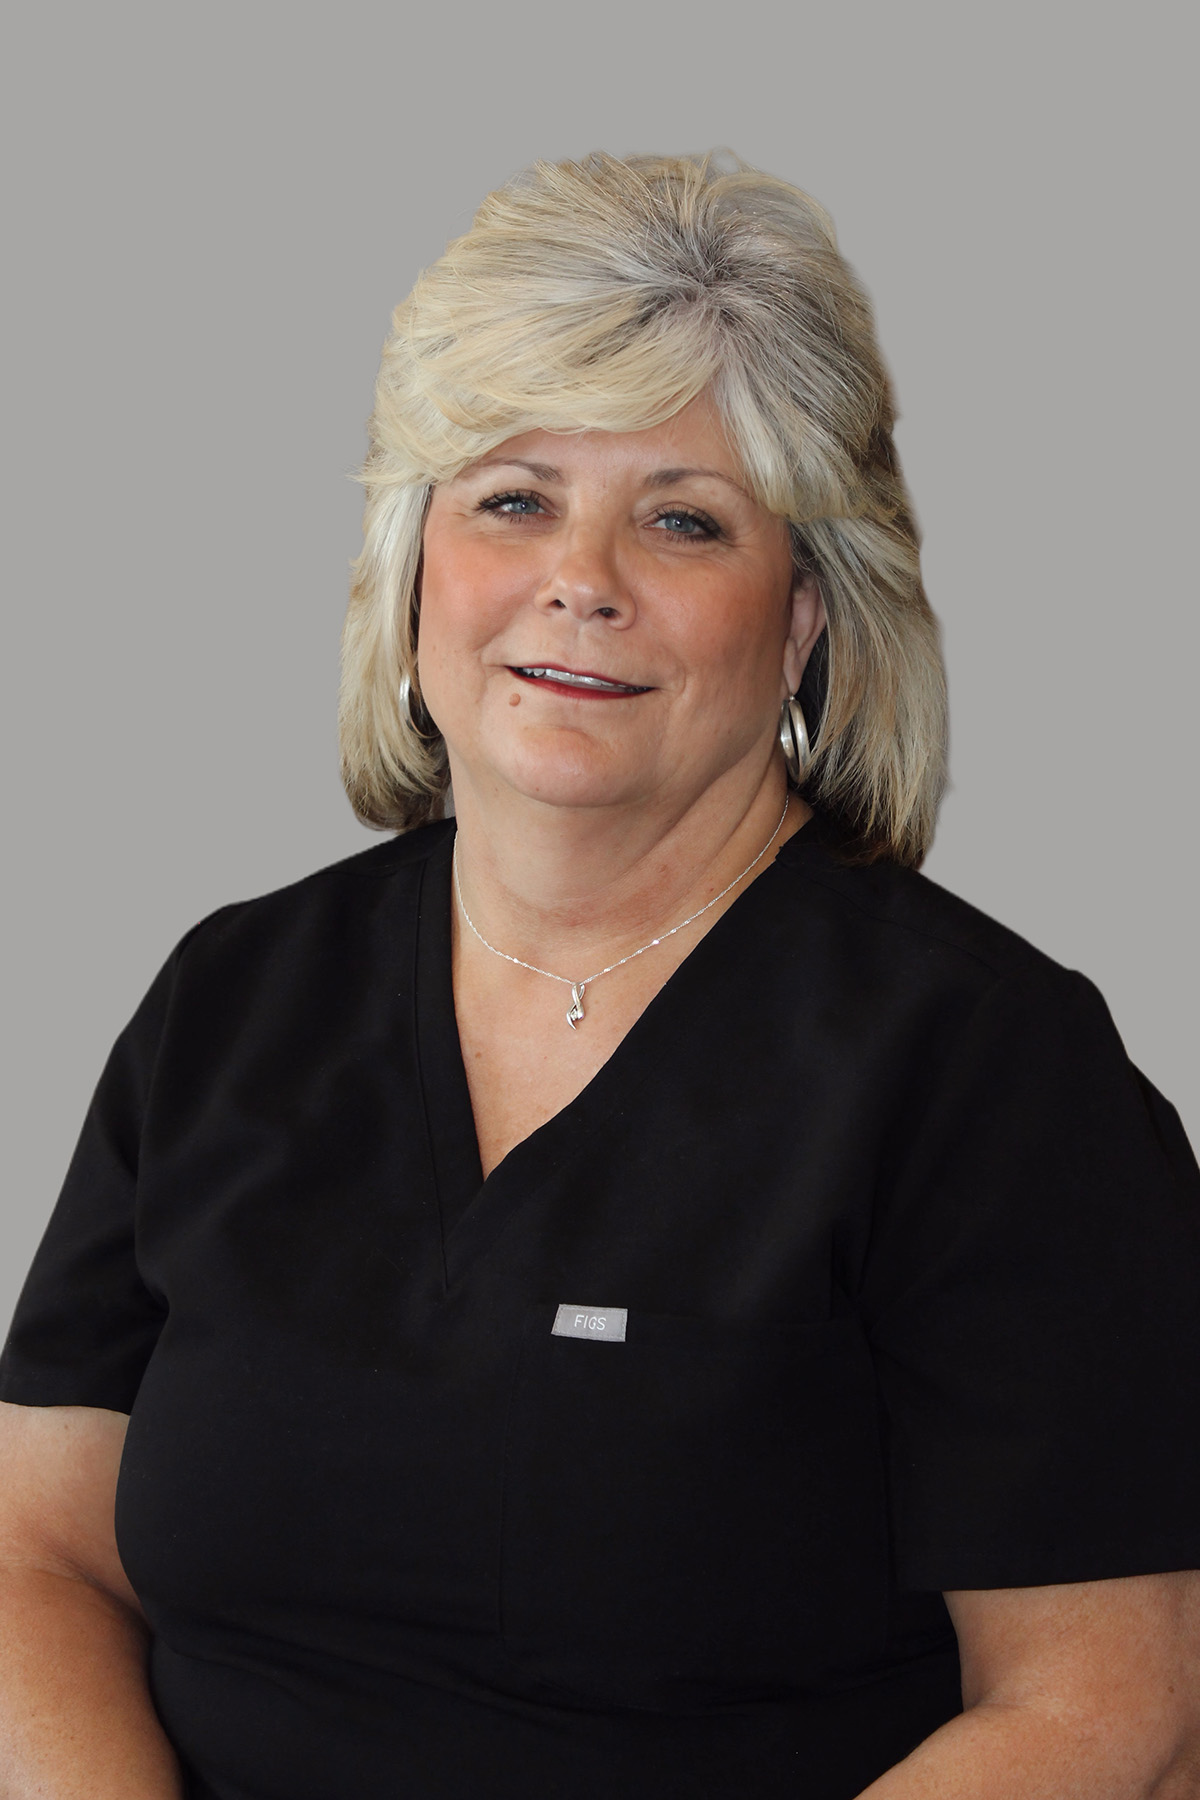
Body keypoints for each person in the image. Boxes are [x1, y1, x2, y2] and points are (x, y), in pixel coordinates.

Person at [1, 150, 1198, 1800]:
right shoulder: (232, 996)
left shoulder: (990, 1071)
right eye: (514, 498)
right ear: (415, 558)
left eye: (684, 520)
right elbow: (36, 1556)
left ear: (802, 622)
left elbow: (1108, 1715)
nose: (583, 577)